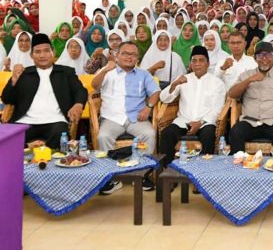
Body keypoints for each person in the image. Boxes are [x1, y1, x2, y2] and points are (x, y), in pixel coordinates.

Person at [92, 41, 160, 194]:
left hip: (136, 117)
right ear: (117, 55)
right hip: (112, 117)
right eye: (125, 53)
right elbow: (94, 85)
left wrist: (148, 108)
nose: (129, 57)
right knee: (103, 136)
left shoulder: (144, 74)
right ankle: (111, 178)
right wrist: (104, 71)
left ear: (137, 58)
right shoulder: (108, 71)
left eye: (133, 54)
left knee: (149, 134)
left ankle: (142, 175)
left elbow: (155, 93)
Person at [1, 34, 88, 149]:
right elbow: (7, 99)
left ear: (53, 52)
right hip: (26, 121)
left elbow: (80, 91)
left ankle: (44, 155)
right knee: (8, 138)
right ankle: (30, 149)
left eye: (46, 51)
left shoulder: (65, 72)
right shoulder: (24, 73)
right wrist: (13, 80)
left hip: (56, 121)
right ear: (31, 55)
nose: (42, 55)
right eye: (37, 52)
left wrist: (78, 104)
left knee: (61, 136)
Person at [227, 42, 273, 153]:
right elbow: (232, 94)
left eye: (268, 55)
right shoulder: (247, 75)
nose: (264, 58)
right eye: (260, 55)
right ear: (255, 58)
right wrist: (249, 80)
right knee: (236, 131)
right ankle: (238, 166)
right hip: (250, 122)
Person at [158, 46, 226, 164]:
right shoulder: (183, 79)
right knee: (166, 134)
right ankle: (167, 172)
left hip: (205, 122)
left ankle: (203, 173)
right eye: (194, 61)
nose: (197, 64)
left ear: (208, 63)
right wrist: (174, 85)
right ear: (190, 64)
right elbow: (164, 98)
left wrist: (200, 122)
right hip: (183, 121)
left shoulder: (217, 83)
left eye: (201, 60)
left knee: (208, 135)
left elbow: (217, 108)